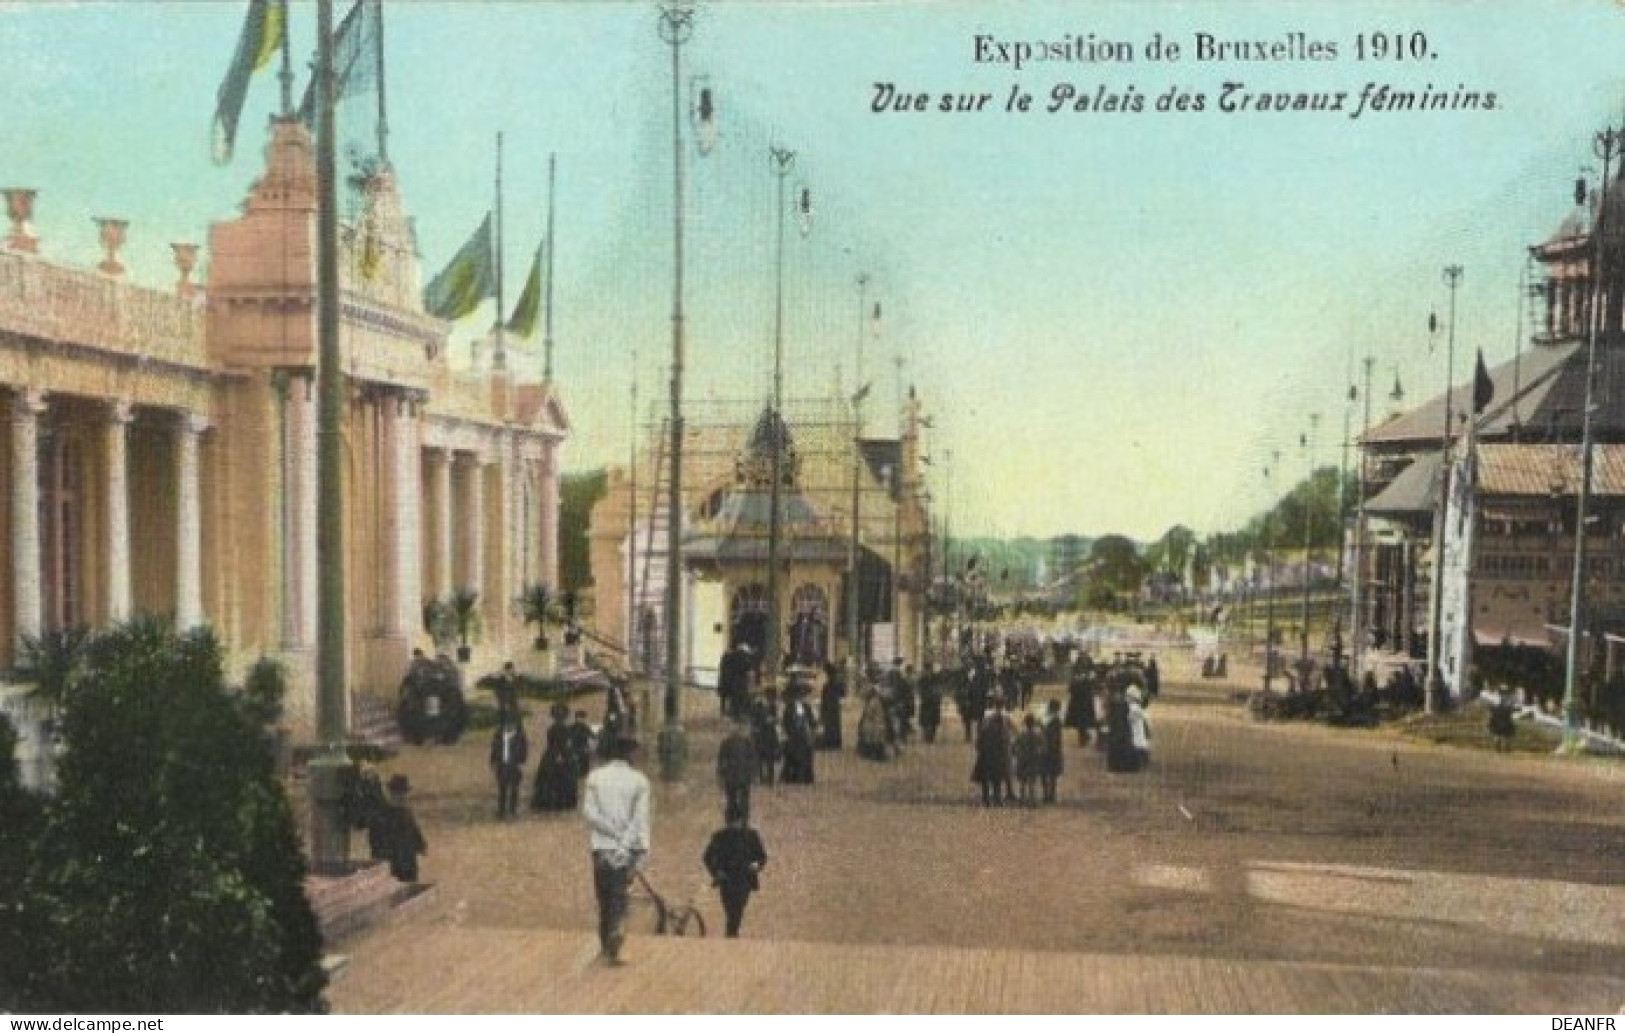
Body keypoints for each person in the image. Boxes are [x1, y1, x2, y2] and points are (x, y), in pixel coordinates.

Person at [581, 736, 651, 966]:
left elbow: (589, 814)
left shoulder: (595, 778)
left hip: (601, 846)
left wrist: (611, 833)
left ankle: (606, 941)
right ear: (630, 755)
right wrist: (625, 840)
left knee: (604, 894)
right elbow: (639, 819)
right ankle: (616, 934)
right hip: (629, 847)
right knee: (620, 891)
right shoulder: (639, 780)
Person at [702, 805, 769, 938]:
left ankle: (731, 933)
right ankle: (732, 934)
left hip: (744, 877)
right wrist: (716, 872)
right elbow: (707, 856)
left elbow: (761, 856)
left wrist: (756, 865)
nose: (733, 825)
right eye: (731, 822)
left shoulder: (751, 835)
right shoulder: (719, 836)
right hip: (726, 878)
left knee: (738, 907)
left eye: (735, 822)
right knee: (730, 908)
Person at [378, 774, 427, 883]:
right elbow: (379, 840)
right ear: (391, 793)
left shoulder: (406, 811)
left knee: (410, 883)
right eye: (398, 793)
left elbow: (414, 830)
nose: (402, 796)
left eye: (403, 793)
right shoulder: (385, 814)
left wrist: (421, 844)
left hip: (408, 860)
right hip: (394, 861)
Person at [532, 703, 579, 812]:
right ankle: (559, 802)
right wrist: (561, 755)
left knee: (555, 778)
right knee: (560, 778)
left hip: (554, 753)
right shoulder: (558, 729)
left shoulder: (555, 729)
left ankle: (556, 802)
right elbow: (556, 743)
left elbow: (560, 743)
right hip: (558, 753)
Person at [971, 694, 1013, 806]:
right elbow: (1006, 736)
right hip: (997, 752)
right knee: (996, 777)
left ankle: (986, 798)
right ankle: (997, 798)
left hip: (987, 752)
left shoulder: (987, 718)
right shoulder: (1004, 719)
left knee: (987, 777)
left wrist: (979, 747)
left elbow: (981, 735)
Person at [716, 716, 758, 822]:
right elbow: (752, 760)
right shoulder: (747, 743)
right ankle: (743, 821)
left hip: (731, 777)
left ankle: (732, 820)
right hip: (743, 777)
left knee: (732, 800)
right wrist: (753, 775)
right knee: (743, 800)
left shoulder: (726, 742)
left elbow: (721, 761)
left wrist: (720, 775)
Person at [489, 712, 529, 818]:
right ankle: (501, 810)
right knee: (502, 789)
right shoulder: (499, 735)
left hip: (514, 765)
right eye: (507, 724)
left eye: (511, 724)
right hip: (502, 765)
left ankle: (512, 810)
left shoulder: (520, 736)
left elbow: (524, 750)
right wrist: (493, 761)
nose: (509, 726)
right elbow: (494, 749)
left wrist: (521, 760)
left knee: (514, 789)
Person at [780, 682, 818, 784]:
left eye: (800, 694)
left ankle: (803, 776)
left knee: (804, 755)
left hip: (803, 734)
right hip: (793, 734)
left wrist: (813, 728)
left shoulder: (806, 706)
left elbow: (811, 720)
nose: (799, 696)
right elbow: (785, 721)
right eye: (797, 694)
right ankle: (793, 776)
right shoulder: (789, 707)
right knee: (792, 755)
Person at [1013, 714, 1044, 807]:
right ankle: (1032, 800)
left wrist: (1016, 754)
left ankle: (1022, 800)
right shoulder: (1037, 733)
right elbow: (1043, 745)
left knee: (1022, 781)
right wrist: (1039, 753)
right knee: (1032, 781)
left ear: (1025, 723)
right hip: (1033, 759)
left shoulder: (1021, 733)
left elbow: (1014, 745)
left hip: (1022, 759)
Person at [752, 690, 781, 786]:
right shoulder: (758, 706)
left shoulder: (773, 707)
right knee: (759, 756)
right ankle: (761, 777)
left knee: (770, 758)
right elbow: (756, 720)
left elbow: (775, 719)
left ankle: (770, 778)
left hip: (770, 734)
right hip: (761, 734)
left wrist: (773, 720)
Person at [1041, 698, 1065, 804]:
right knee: (1052, 774)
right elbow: (1057, 737)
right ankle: (1051, 794)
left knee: (1044, 773)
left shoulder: (1044, 718)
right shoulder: (1056, 720)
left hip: (1044, 748)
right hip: (1053, 749)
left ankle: (1046, 794)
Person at [818, 661, 845, 750]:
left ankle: (831, 741)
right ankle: (835, 742)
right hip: (834, 705)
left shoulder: (828, 684)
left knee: (830, 723)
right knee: (834, 723)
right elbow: (842, 693)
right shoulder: (835, 681)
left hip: (829, 705)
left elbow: (825, 697)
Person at [1125, 686, 1152, 771]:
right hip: (1140, 732)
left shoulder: (1134, 707)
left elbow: (1131, 718)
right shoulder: (1138, 708)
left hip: (1137, 732)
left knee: (1138, 744)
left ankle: (1140, 762)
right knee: (1141, 744)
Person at [918, 664, 943, 744]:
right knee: (925, 720)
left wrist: (938, 698)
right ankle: (926, 735)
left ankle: (932, 735)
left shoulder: (936, 679)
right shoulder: (922, 680)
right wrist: (925, 695)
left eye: (929, 670)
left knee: (933, 720)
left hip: (934, 703)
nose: (928, 672)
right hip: (925, 702)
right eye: (927, 670)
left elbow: (939, 690)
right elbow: (920, 690)